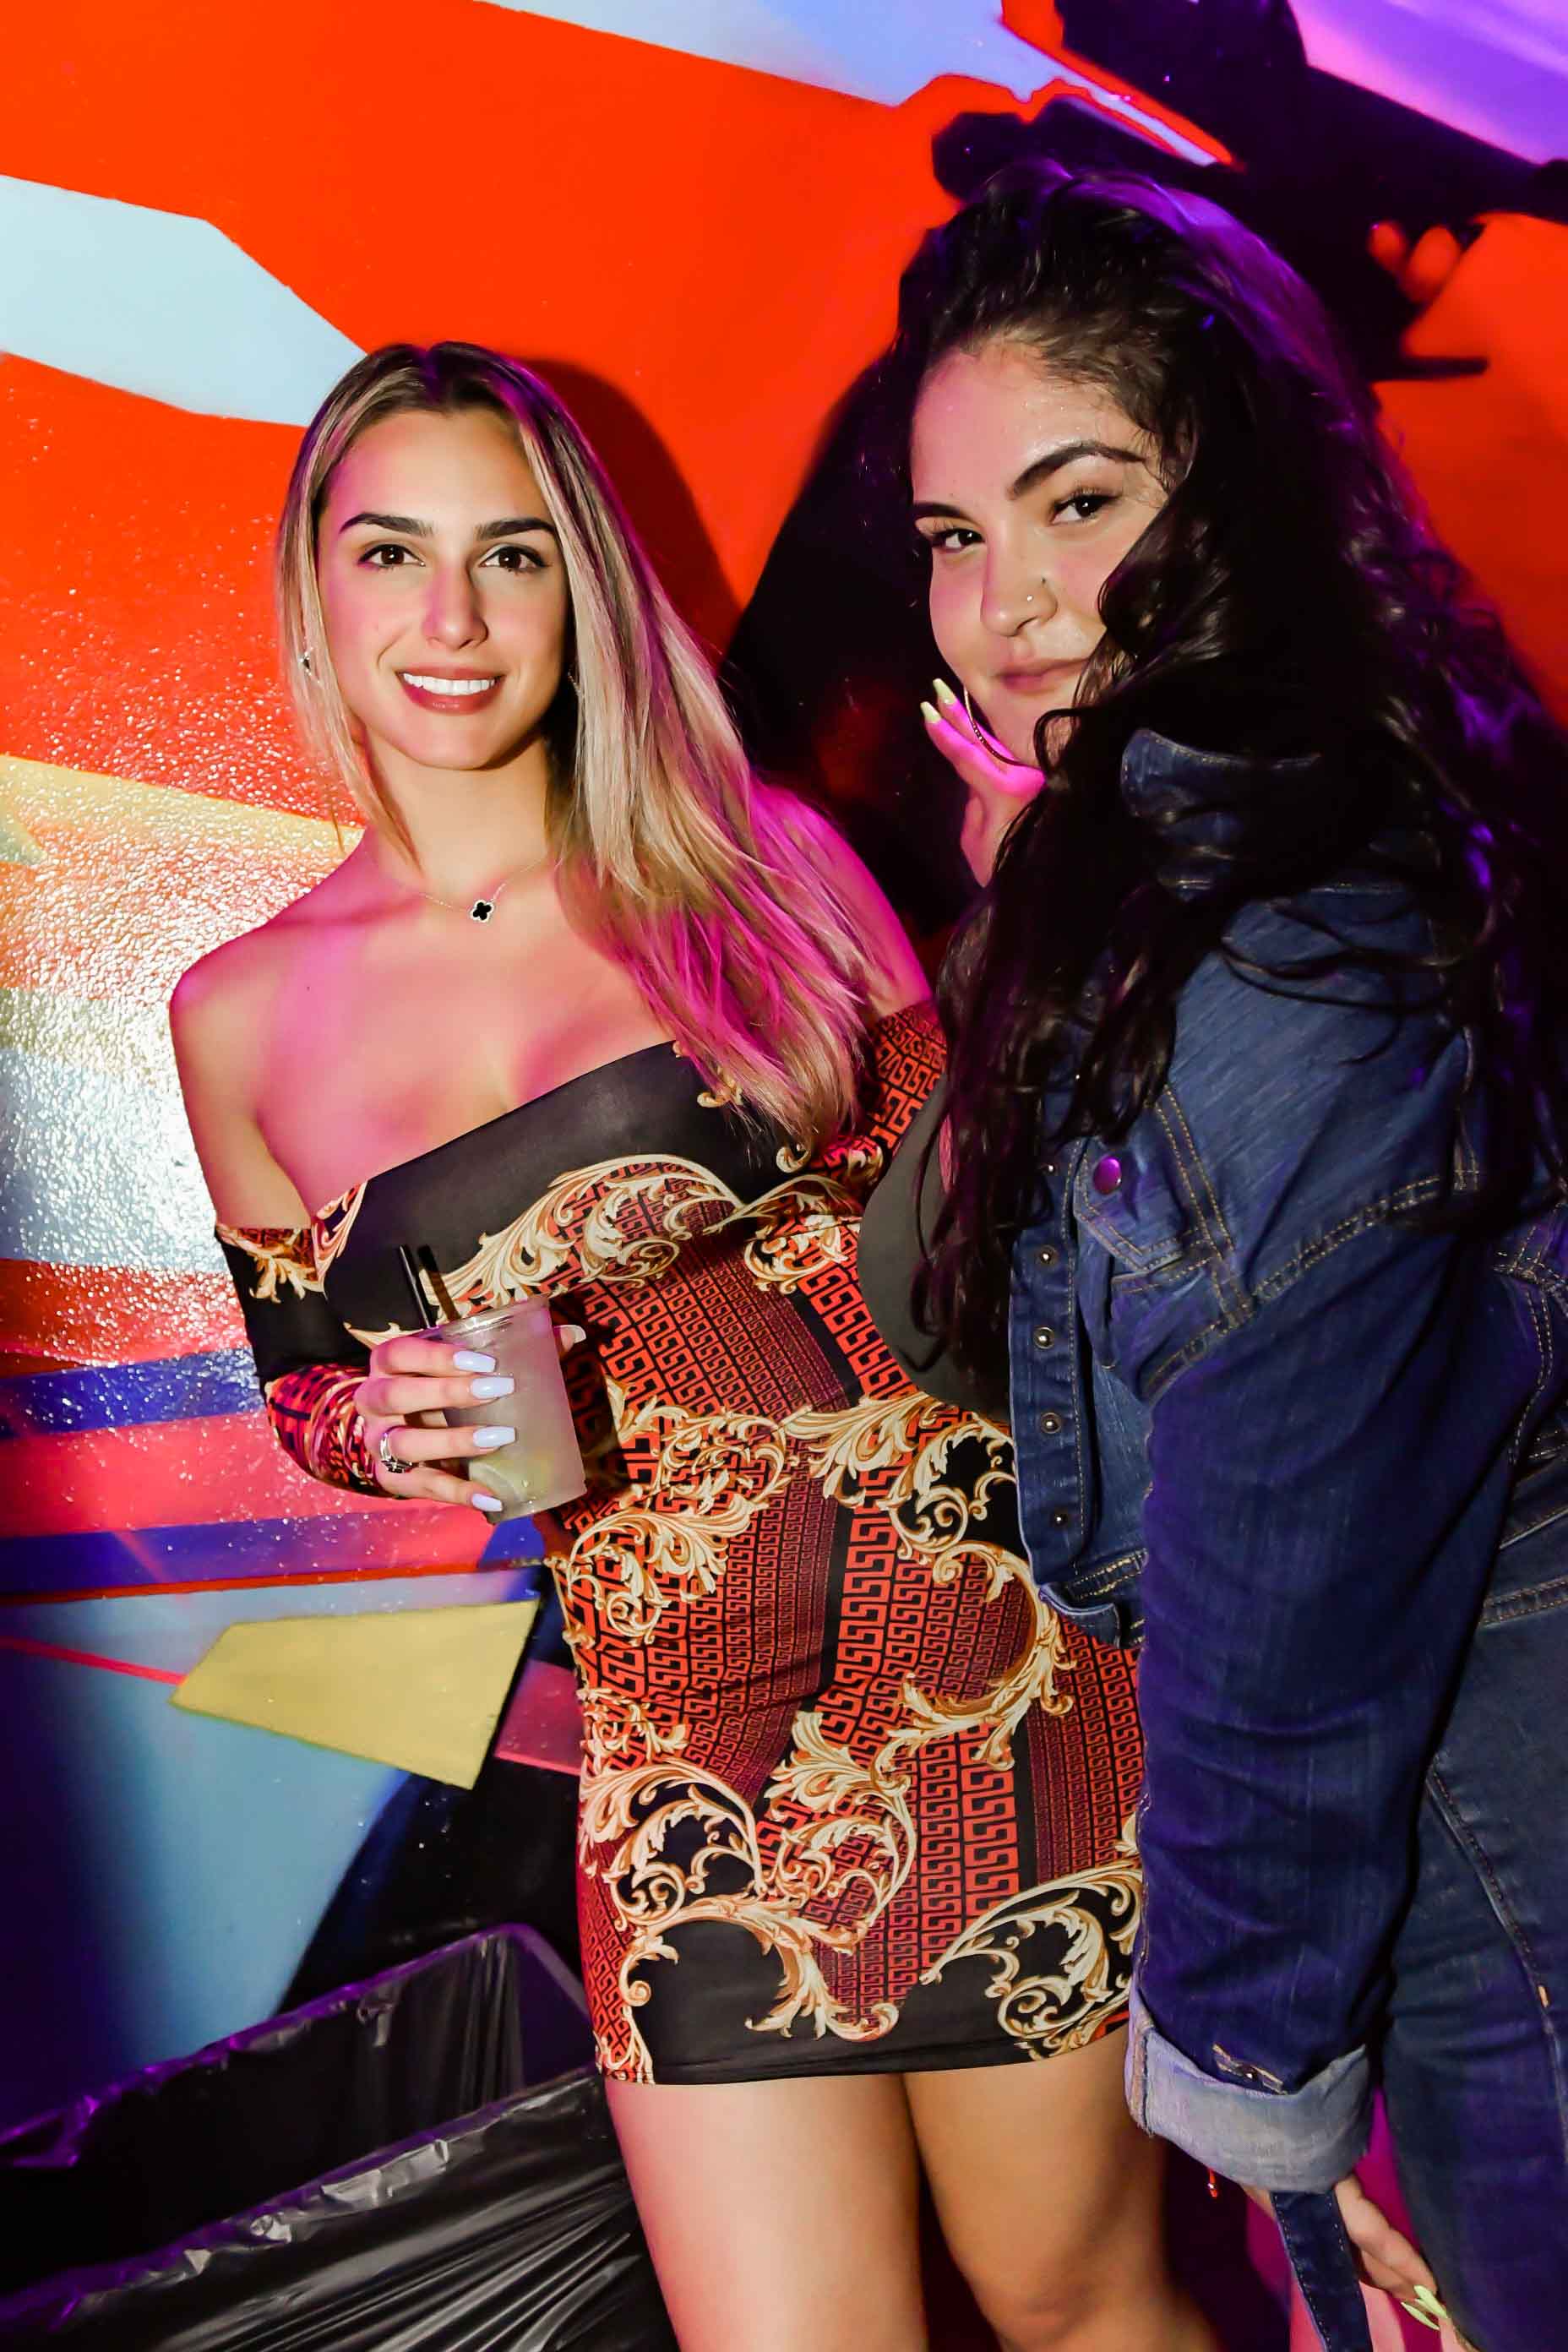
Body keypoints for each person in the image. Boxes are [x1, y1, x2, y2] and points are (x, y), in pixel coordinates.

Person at [170, 341, 1216, 2352]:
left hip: (982, 1671)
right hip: (682, 1756)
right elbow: (296, 1378)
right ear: (317, 583)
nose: (453, 618)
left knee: (1077, 2302)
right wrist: (387, 1432)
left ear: (581, 586)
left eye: (512, 555)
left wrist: (1032, 932)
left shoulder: (760, 865)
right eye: (393, 552)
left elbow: (977, 1246)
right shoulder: (236, 1012)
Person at [860, 161, 1568, 2352]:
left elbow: (1283, 1581)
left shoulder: (1275, 928)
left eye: (1077, 503)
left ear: (1234, 492)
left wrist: (1264, 2075)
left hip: (1486, 1855)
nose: (1006, 604)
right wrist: (1032, 905)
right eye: (955, 537)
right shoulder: (1229, 855)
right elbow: (975, 1302)